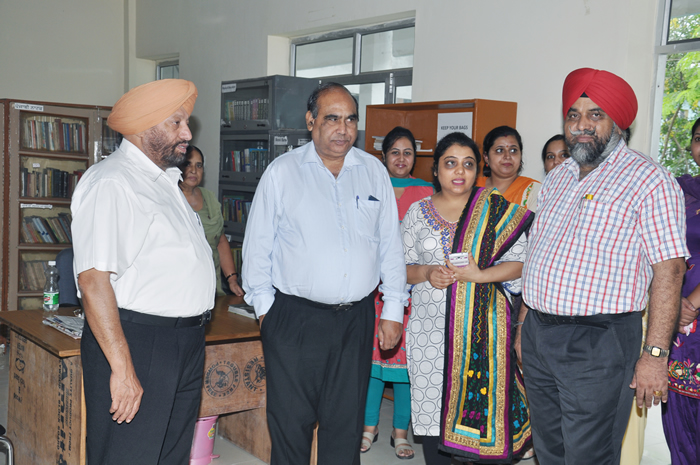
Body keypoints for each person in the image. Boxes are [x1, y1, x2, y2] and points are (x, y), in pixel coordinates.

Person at [517, 67, 688, 465]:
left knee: (588, 455)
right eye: (573, 115)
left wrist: (655, 355)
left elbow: (670, 270)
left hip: (599, 342)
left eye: (595, 115)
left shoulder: (649, 180)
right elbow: (537, 254)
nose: (582, 125)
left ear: (618, 123)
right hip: (539, 334)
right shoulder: (557, 178)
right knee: (549, 449)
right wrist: (524, 324)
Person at [242, 82, 409, 465]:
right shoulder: (282, 173)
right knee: (291, 424)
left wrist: (393, 309)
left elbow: (390, 245)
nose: (343, 129)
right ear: (310, 121)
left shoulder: (373, 171)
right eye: (332, 118)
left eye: (350, 119)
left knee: (345, 424)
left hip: (356, 320)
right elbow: (257, 249)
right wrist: (267, 313)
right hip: (294, 319)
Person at [71, 79, 216, 464]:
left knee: (170, 454)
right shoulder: (113, 182)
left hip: (184, 341)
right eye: (176, 123)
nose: (187, 134)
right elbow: (93, 281)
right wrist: (122, 369)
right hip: (138, 341)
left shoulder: (166, 181)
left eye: (187, 123)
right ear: (141, 127)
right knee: (129, 454)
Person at [402, 132, 533, 464]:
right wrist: (427, 273)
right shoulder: (417, 213)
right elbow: (398, 269)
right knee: (432, 418)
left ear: (478, 170)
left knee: (479, 424)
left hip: (481, 337)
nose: (459, 171)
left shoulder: (496, 210)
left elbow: (521, 264)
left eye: (468, 164)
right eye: (450, 163)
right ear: (436, 170)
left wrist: (480, 275)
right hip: (429, 335)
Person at [361, 126, 433, 459]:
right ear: (383, 156)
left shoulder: (429, 191)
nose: (401, 159)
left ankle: (400, 433)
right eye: (394, 152)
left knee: (407, 367)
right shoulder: (369, 186)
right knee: (372, 363)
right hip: (373, 288)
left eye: (408, 153)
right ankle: (368, 428)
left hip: (415, 290)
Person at [662, 117, 700, 464]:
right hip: (680, 322)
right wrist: (672, 303)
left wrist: (690, 302)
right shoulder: (679, 191)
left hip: (689, 309)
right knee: (680, 417)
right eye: (699, 138)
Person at [179, 145, 244, 296]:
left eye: (199, 165)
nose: (193, 170)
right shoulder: (168, 199)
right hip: (181, 288)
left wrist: (232, 280)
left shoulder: (209, 198)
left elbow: (220, 241)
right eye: (187, 164)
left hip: (212, 286)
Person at [476, 126, 540, 211]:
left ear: (520, 155)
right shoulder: (472, 187)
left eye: (513, 150)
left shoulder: (535, 190)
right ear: (486, 157)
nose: (507, 156)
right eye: (499, 150)